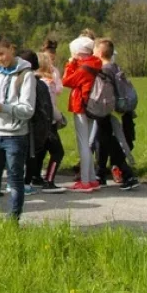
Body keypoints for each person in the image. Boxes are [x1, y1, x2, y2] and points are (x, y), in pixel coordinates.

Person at [0, 35, 37, 219]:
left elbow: (28, 110)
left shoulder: (26, 75)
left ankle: (13, 219)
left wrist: (3, 108)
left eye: (1, 54)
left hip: (15, 135)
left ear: (11, 49)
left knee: (14, 180)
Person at [92, 39, 140, 191]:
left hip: (110, 113)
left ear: (99, 53)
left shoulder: (104, 71)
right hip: (122, 111)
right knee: (105, 141)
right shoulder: (116, 67)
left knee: (110, 143)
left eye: (94, 51)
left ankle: (127, 175)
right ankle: (100, 174)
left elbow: (104, 95)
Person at [62, 36, 102, 192]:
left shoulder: (84, 68)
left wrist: (70, 63)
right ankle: (92, 179)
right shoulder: (95, 64)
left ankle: (85, 181)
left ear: (78, 53)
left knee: (83, 145)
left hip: (81, 107)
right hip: (92, 108)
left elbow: (66, 81)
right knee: (87, 143)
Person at [31, 50, 67, 193]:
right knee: (58, 152)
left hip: (36, 123)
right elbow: (50, 105)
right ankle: (49, 180)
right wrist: (60, 118)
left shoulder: (32, 81)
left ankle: (35, 176)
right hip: (48, 122)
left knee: (40, 150)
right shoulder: (49, 83)